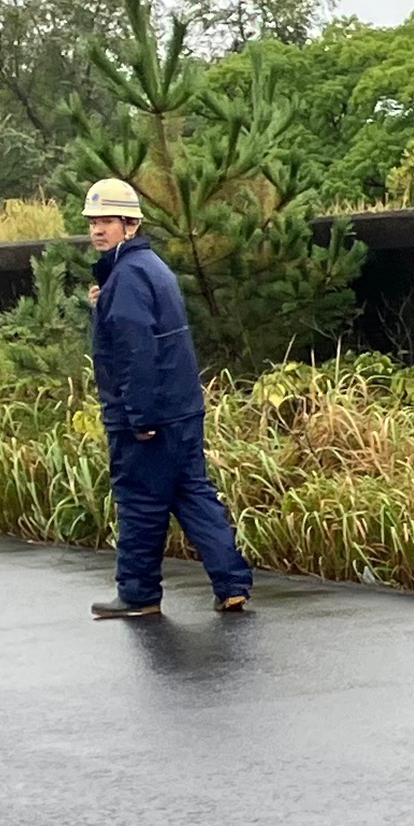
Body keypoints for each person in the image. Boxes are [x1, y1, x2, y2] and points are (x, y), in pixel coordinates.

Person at [83, 178, 256, 620]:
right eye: (93, 222)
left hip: (148, 417)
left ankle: (138, 594)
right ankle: (232, 585)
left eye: (107, 221)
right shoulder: (151, 268)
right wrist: (102, 303)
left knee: (140, 503)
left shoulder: (127, 276)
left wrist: (139, 417)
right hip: (182, 410)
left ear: (131, 225)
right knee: (192, 493)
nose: (98, 230)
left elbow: (136, 352)